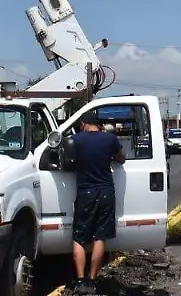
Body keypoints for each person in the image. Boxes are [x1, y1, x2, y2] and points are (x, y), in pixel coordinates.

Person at [69, 110, 126, 295]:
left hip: (86, 192)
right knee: (99, 237)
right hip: (106, 191)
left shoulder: (76, 140)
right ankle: (93, 281)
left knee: (79, 237)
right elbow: (122, 159)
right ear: (97, 124)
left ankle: (80, 281)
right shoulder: (110, 139)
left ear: (83, 124)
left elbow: (66, 160)